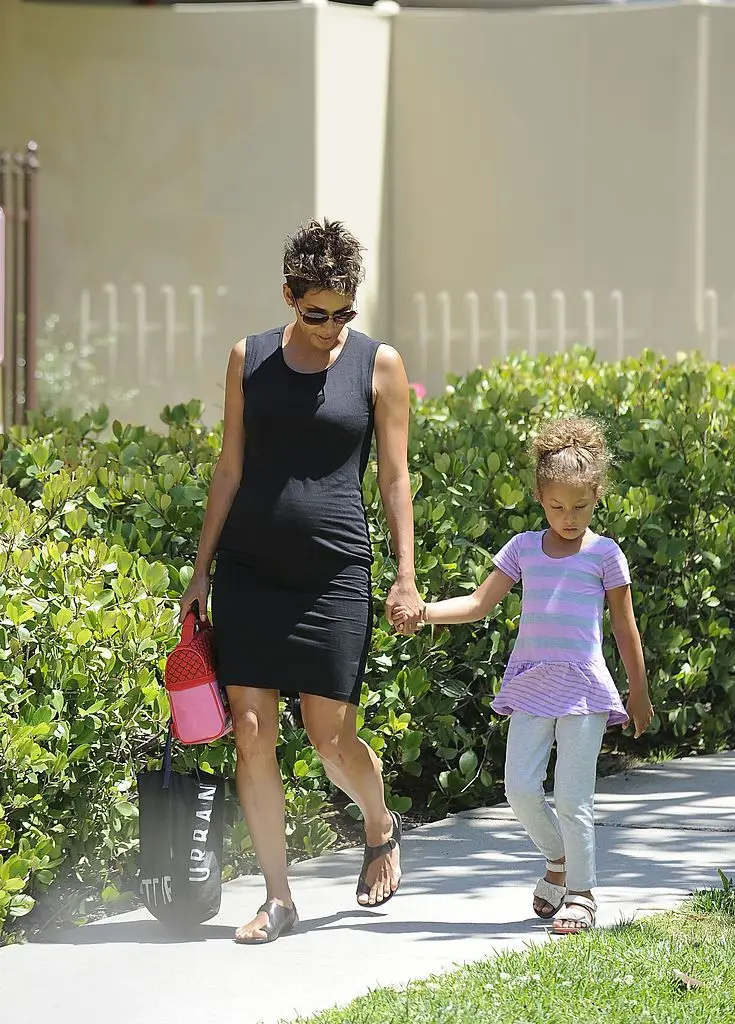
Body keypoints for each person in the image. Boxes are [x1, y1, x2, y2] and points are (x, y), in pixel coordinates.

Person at [178, 219, 423, 944]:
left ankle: (378, 822)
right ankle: (278, 898)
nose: (329, 327)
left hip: (334, 575)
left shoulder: (377, 366)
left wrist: (405, 577)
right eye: (315, 312)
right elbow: (229, 467)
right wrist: (199, 571)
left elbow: (394, 478)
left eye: (343, 311)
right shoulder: (247, 359)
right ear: (289, 296)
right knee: (250, 732)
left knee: (329, 738)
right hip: (249, 571)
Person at [393, 417, 654, 935]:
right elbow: (477, 603)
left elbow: (626, 629)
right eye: (557, 506)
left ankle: (580, 893)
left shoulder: (605, 555)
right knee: (519, 790)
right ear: (539, 497)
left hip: (583, 689)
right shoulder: (523, 548)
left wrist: (639, 693)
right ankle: (557, 860)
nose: (569, 517)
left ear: (597, 495)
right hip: (533, 683)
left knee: (574, 797)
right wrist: (423, 612)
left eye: (580, 506)